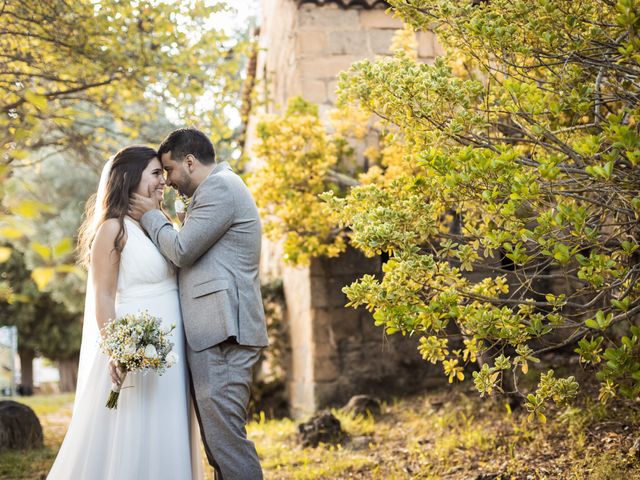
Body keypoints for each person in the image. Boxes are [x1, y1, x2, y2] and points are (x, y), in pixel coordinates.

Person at [48, 146, 202, 480]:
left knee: (167, 425)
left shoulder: (161, 225)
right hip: (136, 347)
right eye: (156, 174)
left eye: (163, 173)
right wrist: (117, 349)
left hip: (172, 352)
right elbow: (103, 295)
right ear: (130, 179)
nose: (164, 181)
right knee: (133, 429)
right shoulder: (113, 230)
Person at [128, 128, 268, 480]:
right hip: (215, 332)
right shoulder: (215, 188)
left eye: (170, 170)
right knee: (218, 447)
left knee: (227, 445)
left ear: (190, 161)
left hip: (225, 333)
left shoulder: (221, 188)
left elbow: (182, 250)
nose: (169, 181)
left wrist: (150, 214)